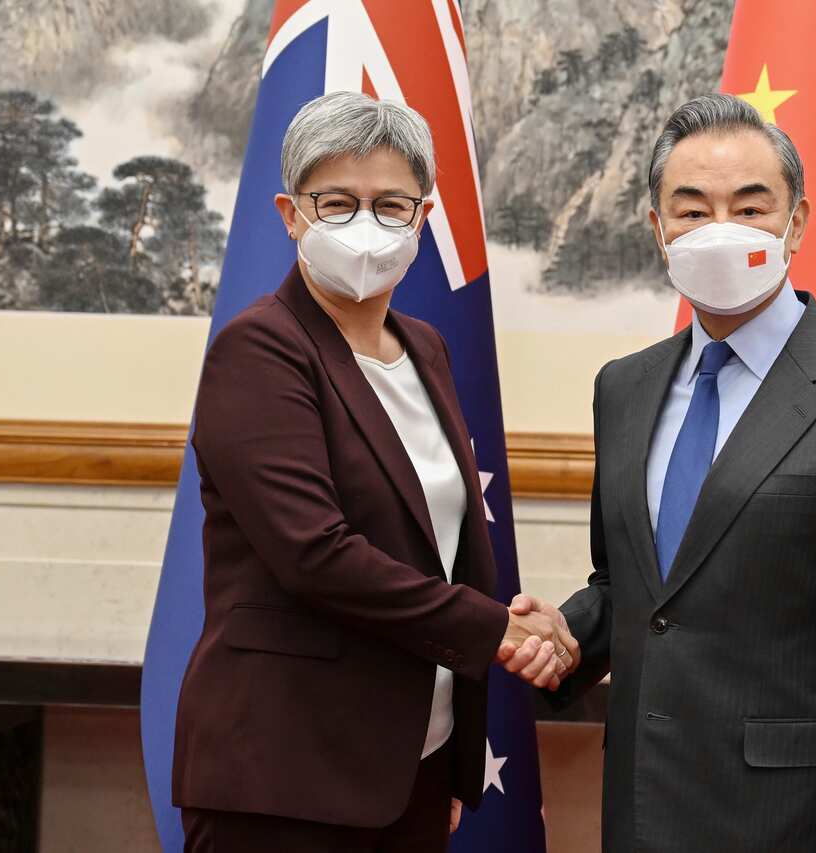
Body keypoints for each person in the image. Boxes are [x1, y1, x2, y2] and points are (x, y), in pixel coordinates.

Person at [503, 93, 816, 852]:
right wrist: (567, 634)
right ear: (657, 229)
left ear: (797, 223)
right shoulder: (625, 387)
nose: (719, 230)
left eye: (750, 208)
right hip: (641, 809)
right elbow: (637, 588)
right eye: (691, 210)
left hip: (787, 824)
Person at [172, 91, 573, 853]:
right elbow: (313, 552)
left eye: (392, 204)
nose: (366, 226)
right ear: (291, 213)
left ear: (423, 217)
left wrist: (445, 761)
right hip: (286, 773)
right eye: (338, 202)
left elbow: (439, 542)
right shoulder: (259, 350)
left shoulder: (424, 347)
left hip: (405, 767)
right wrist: (498, 630)